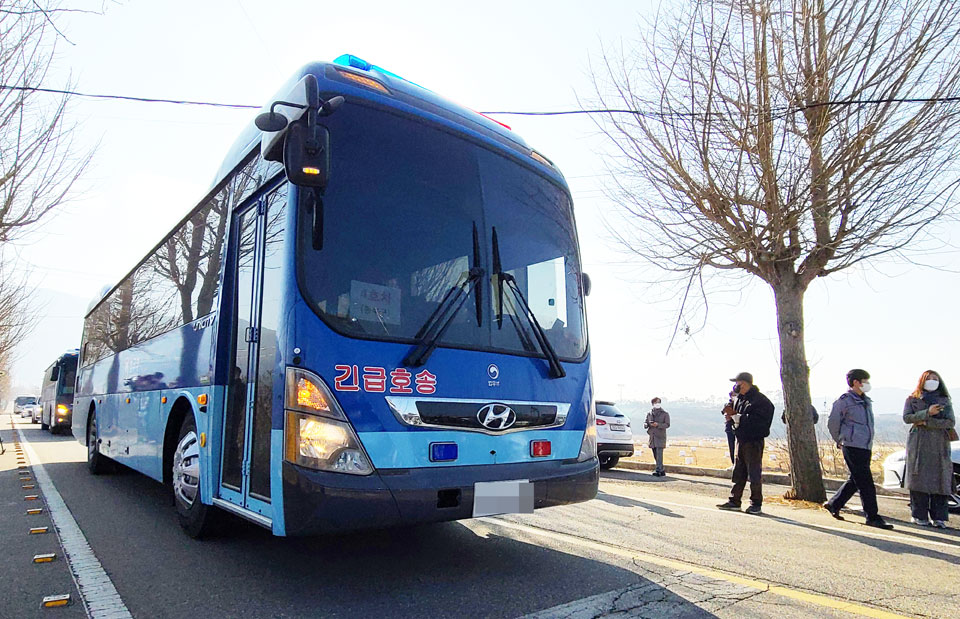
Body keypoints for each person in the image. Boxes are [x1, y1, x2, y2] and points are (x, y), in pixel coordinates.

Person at [824, 369, 894, 529]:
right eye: (865, 381)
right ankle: (872, 516)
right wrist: (840, 439)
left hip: (865, 445)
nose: (867, 384)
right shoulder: (844, 401)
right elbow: (833, 422)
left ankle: (834, 504)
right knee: (866, 482)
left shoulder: (866, 401)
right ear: (856, 382)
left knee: (856, 479)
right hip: (852, 444)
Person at [902, 370, 955, 528]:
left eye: (935, 379)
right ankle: (919, 515)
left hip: (940, 443)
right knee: (919, 478)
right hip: (919, 443)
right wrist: (927, 412)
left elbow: (950, 422)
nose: (932, 381)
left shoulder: (945, 401)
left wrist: (927, 422)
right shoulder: (912, 399)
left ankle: (939, 517)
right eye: (929, 379)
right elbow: (907, 418)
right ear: (922, 381)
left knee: (940, 479)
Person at [717, 372, 775, 515]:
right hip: (740, 439)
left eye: (738, 383)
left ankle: (756, 503)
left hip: (753, 440)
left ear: (744, 383)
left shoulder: (761, 401)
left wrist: (738, 416)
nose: (736, 386)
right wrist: (730, 415)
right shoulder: (739, 399)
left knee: (754, 473)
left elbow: (759, 421)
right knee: (739, 471)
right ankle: (734, 500)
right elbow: (734, 412)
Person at [644, 397, 670, 476]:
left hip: (660, 436)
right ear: (653, 404)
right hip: (652, 436)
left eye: (658, 402)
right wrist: (647, 424)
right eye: (655, 402)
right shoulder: (649, 413)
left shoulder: (665, 414)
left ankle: (658, 470)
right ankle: (661, 469)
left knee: (659, 453)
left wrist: (658, 425)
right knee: (655, 453)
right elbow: (645, 422)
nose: (657, 404)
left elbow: (667, 424)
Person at [723, 390, 737, 467]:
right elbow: (724, 412)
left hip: (738, 427)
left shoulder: (741, 404)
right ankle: (733, 464)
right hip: (729, 427)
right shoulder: (728, 404)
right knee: (731, 447)